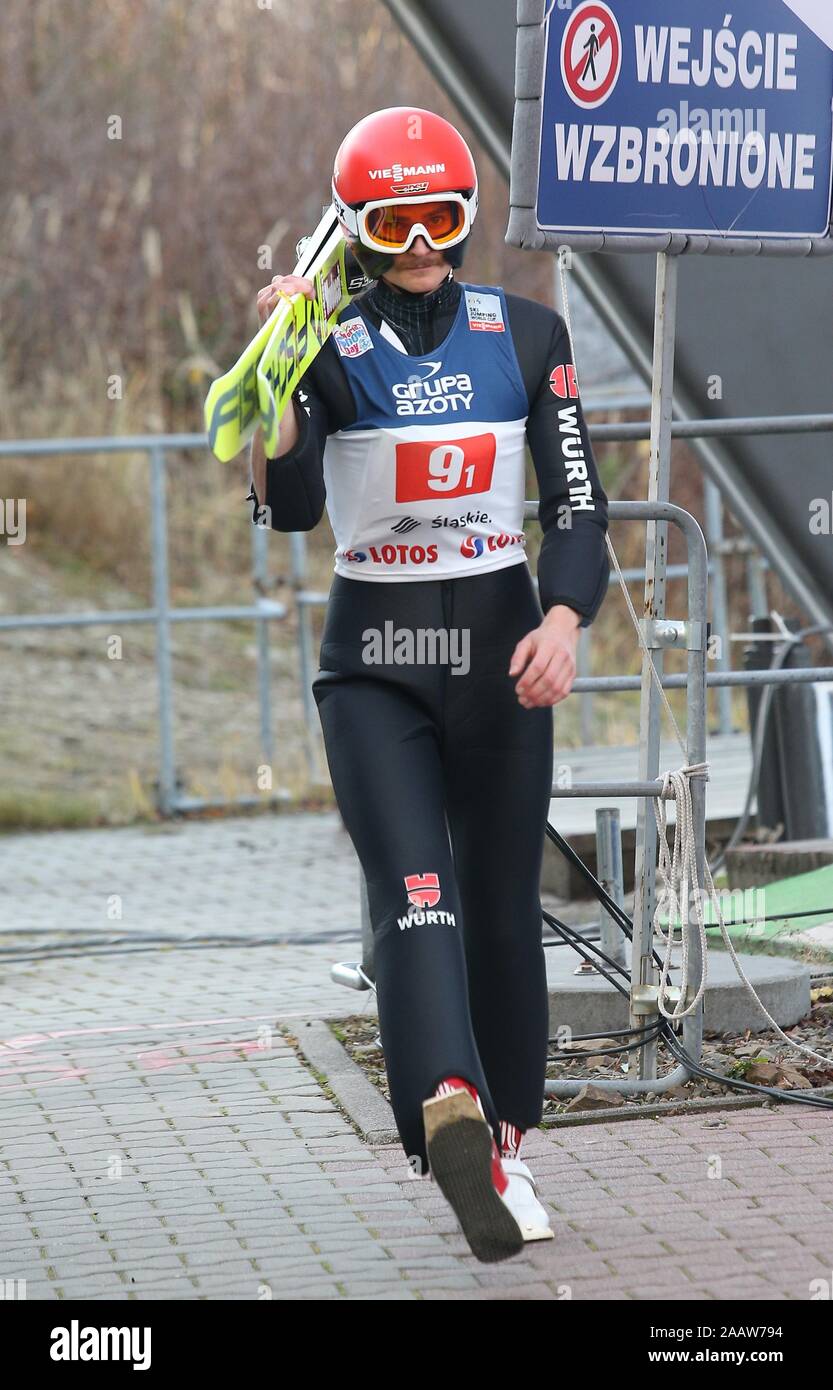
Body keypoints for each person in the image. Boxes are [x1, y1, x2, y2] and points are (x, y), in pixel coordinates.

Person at [249, 107, 610, 1263]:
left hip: (501, 660)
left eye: (440, 216)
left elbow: (577, 508)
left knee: (501, 909)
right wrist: (273, 385)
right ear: (353, 230)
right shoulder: (328, 345)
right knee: (416, 896)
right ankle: (447, 1108)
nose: (419, 242)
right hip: (376, 673)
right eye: (393, 220)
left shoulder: (527, 332)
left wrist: (562, 619)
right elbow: (294, 504)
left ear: (466, 218)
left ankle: (505, 1150)